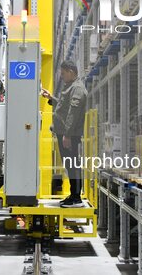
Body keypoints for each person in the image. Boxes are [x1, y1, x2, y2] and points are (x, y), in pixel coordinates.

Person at [41, 60, 87, 208]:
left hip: (69, 135)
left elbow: (72, 113)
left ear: (71, 72)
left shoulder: (77, 89)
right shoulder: (71, 87)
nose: (62, 76)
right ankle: (73, 195)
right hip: (64, 133)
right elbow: (64, 107)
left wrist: (67, 134)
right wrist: (50, 98)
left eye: (63, 73)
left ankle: (76, 198)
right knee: (69, 164)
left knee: (73, 164)